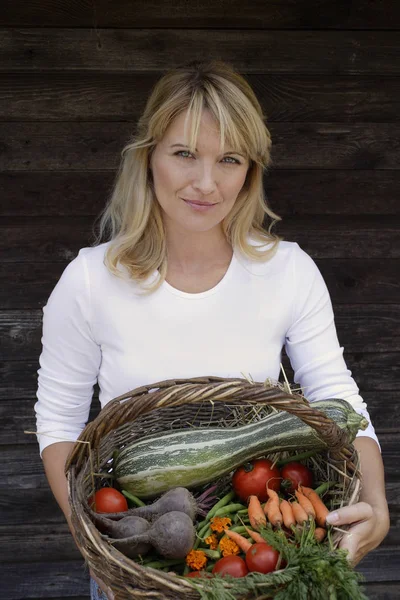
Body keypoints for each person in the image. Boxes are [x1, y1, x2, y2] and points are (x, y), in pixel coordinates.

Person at [34, 60, 390, 599]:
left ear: (251, 169)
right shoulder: (89, 280)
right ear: (148, 156)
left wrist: (378, 504)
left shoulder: (288, 271)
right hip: (137, 539)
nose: (206, 183)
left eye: (229, 159)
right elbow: (59, 422)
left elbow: (336, 398)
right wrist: (104, 544)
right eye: (183, 154)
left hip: (255, 537)